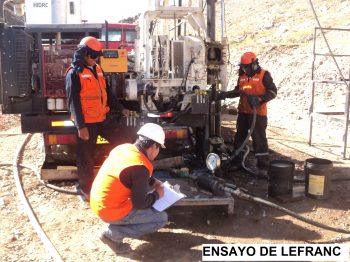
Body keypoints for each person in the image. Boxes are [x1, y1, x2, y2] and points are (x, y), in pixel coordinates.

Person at [65, 36, 130, 200]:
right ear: (83, 54)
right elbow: (73, 102)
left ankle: (120, 179)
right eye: (92, 56)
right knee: (85, 156)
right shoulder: (74, 74)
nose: (95, 59)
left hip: (102, 119)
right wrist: (81, 127)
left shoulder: (98, 70)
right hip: (87, 123)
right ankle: (86, 189)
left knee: (122, 142)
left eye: (97, 56)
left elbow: (107, 93)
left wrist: (121, 109)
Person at [90, 123, 168, 253]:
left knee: (146, 194)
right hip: (109, 211)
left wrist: (152, 181)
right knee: (161, 218)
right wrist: (157, 195)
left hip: (98, 202)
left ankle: (120, 225)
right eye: (159, 148)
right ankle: (113, 234)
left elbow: (128, 173)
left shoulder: (124, 148)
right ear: (154, 146)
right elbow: (140, 203)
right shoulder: (140, 167)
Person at [217, 52, 277, 169]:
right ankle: (237, 162)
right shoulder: (242, 76)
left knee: (259, 139)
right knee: (240, 137)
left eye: (246, 67)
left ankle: (263, 166)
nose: (244, 69)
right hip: (243, 113)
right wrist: (225, 94)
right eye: (243, 67)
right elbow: (238, 91)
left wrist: (260, 99)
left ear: (254, 65)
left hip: (258, 115)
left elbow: (273, 92)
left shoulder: (264, 75)